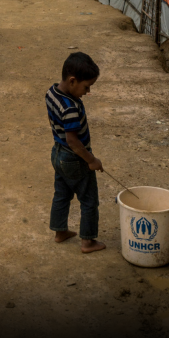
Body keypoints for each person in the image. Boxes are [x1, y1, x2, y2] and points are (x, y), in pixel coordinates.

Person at [46, 52, 105, 253]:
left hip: (58, 154)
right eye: (86, 87)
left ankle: (60, 232)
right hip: (75, 158)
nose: (87, 92)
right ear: (72, 81)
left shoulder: (52, 92)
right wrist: (92, 160)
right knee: (89, 200)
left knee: (61, 195)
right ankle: (88, 241)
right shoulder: (70, 107)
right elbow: (73, 141)